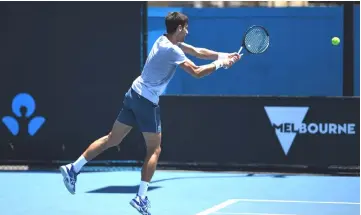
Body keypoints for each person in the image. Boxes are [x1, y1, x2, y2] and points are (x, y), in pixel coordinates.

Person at [59, 11, 241, 215]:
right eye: (186, 28)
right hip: (146, 102)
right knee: (155, 150)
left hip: (133, 94)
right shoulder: (173, 50)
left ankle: (73, 168)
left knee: (112, 139)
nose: (188, 32)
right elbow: (197, 72)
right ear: (179, 28)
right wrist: (219, 65)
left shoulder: (165, 40)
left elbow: (198, 52)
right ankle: (141, 197)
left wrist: (225, 56)